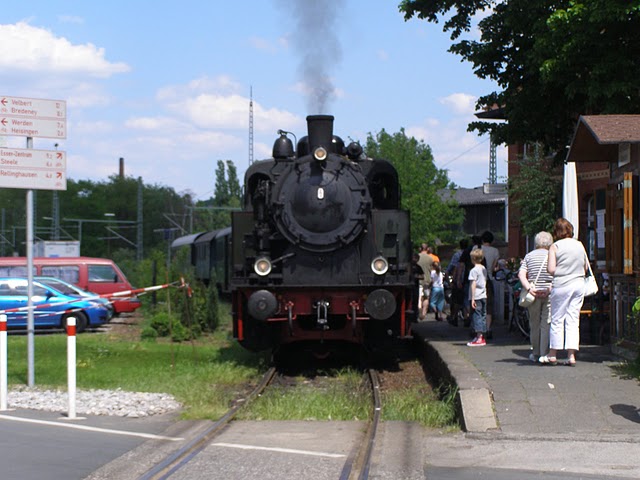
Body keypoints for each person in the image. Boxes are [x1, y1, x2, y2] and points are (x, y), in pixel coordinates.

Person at [541, 218, 589, 366]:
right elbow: (586, 267)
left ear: (556, 231)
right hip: (578, 284)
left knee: (557, 318)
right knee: (573, 319)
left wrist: (563, 270)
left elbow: (551, 269)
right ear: (570, 230)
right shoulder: (579, 245)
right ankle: (571, 356)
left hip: (561, 284)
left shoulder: (555, 246)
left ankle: (553, 354)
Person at [518, 231, 554, 363]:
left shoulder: (529, 256)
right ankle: (545, 353)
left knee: (534, 324)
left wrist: (529, 288)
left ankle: (535, 352)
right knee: (546, 323)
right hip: (548, 292)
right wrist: (549, 288)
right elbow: (556, 274)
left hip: (532, 294)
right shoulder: (553, 255)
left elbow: (521, 274)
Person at [481, 231, 500, 339]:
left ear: (482, 240)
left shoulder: (476, 248)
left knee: (477, 305)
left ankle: (478, 329)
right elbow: (494, 268)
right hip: (489, 279)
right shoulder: (495, 251)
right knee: (489, 305)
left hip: (478, 280)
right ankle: (488, 328)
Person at [467, 248, 488, 346]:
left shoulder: (473, 270)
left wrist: (473, 298)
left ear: (473, 259)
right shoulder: (483, 268)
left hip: (477, 296)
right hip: (483, 294)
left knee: (477, 315)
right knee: (483, 315)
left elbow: (473, 284)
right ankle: (481, 336)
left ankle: (479, 337)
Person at [447, 238, 468, 325]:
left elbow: (453, 268)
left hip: (459, 280)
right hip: (467, 279)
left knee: (456, 301)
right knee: (467, 299)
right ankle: (467, 317)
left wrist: (451, 281)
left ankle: (454, 317)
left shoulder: (457, 255)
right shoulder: (471, 254)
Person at [417, 243, 434, 320]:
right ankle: (424, 313)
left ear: (420, 248)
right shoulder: (430, 258)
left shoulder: (416, 257)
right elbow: (432, 269)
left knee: (419, 297)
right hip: (427, 281)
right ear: (427, 249)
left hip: (419, 280)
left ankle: (419, 310)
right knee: (426, 297)